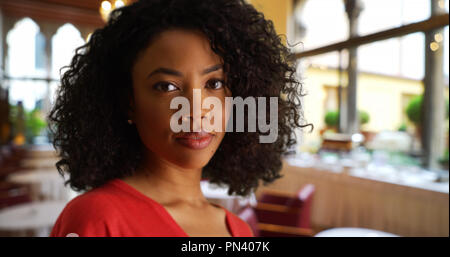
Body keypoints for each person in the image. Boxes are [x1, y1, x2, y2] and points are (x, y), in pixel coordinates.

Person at [48, 0, 309, 237]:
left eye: (215, 83)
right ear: (129, 103)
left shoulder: (239, 230)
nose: (196, 110)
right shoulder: (95, 220)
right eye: (167, 87)